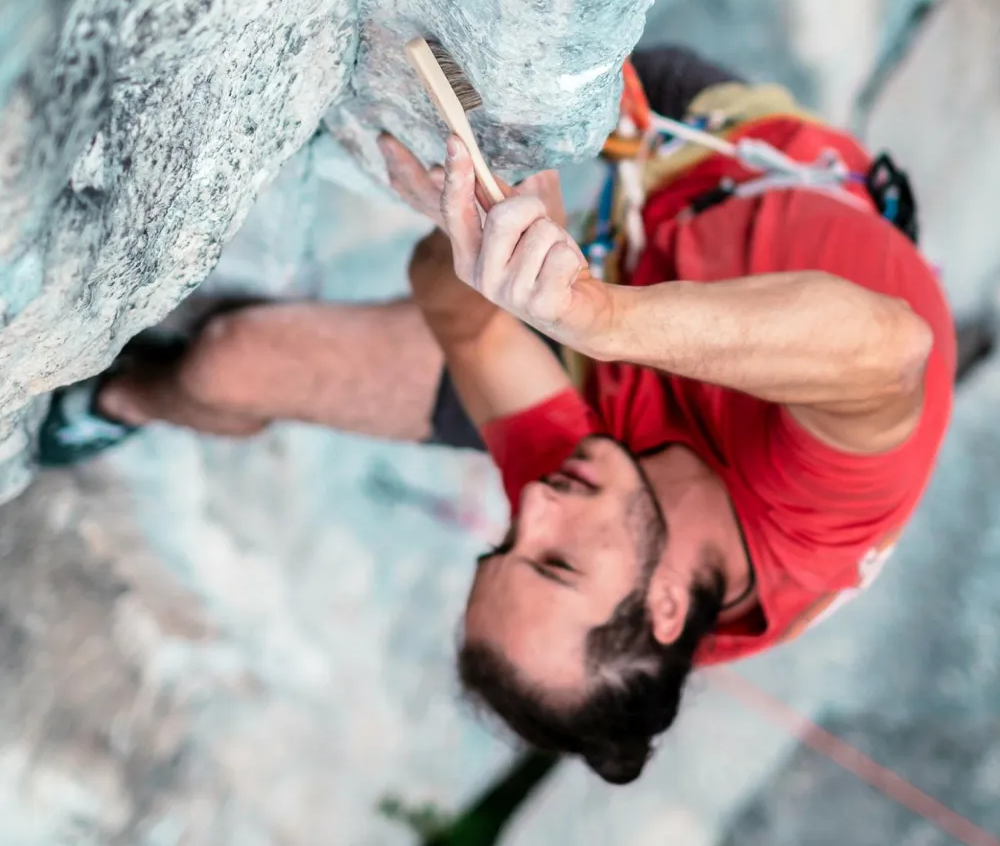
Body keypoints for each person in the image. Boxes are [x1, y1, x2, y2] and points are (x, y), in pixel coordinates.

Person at [39, 47, 955, 785]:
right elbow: (886, 349)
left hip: (609, 333)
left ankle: (112, 397)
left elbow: (457, 314)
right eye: (551, 559)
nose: (534, 505)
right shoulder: (812, 517)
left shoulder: (580, 514)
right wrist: (597, 319)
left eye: (504, 545)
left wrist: (482, 234)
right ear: (669, 602)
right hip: (703, 151)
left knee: (230, 362)